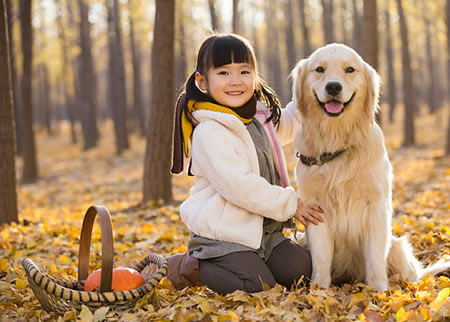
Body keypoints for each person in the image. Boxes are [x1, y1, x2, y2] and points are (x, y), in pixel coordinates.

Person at [169, 33, 323, 295]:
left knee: (305, 272)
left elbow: (289, 124)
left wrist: (308, 87)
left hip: (265, 235)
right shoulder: (209, 131)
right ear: (202, 81)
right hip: (225, 239)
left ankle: (260, 262)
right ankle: (189, 265)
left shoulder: (257, 117)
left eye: (244, 71)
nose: (236, 81)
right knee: (257, 287)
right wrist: (291, 204)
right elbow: (239, 186)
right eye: (224, 73)